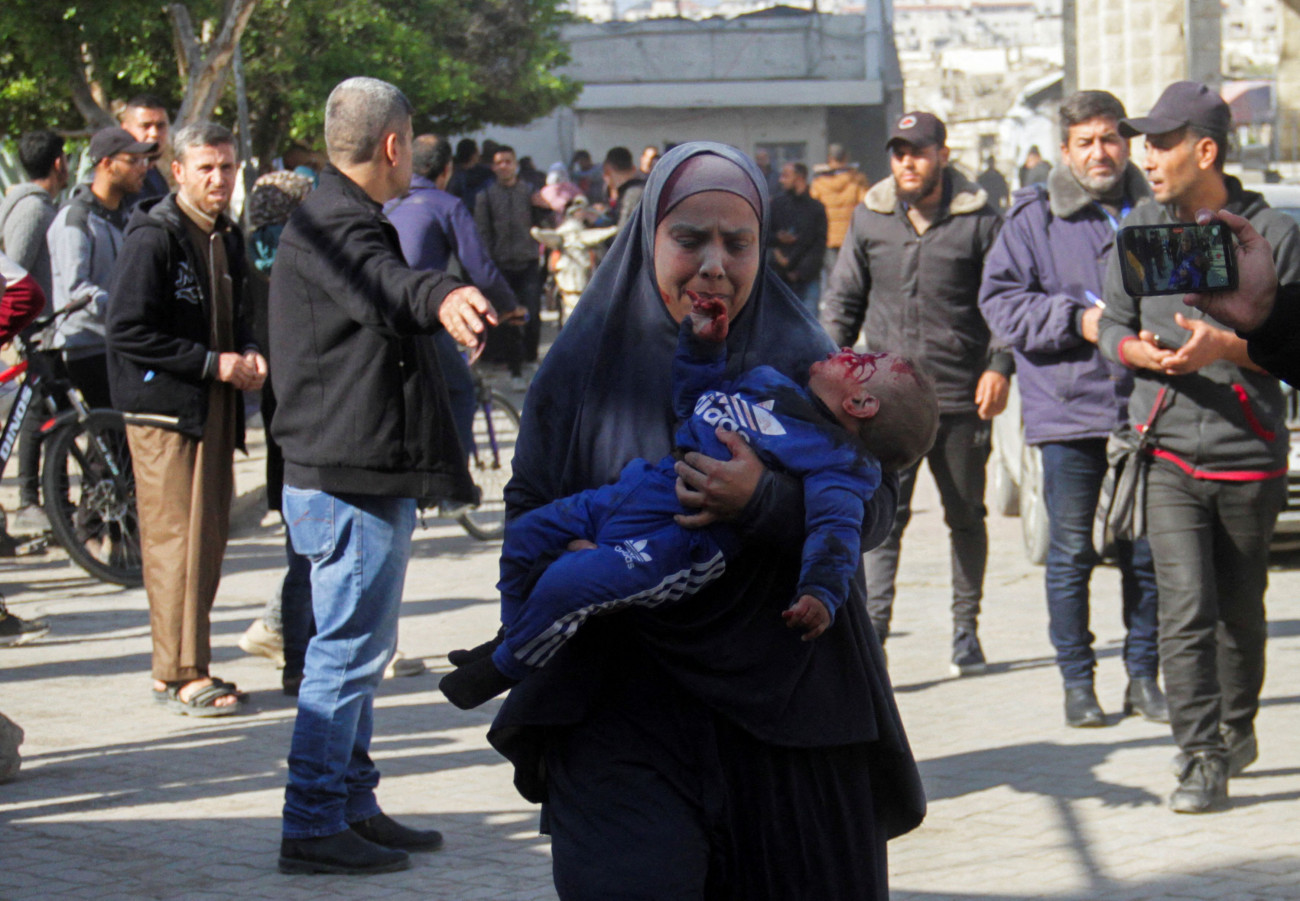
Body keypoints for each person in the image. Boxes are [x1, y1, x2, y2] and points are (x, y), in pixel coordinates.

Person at [478, 141, 924, 899]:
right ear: (649, 234)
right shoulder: (577, 370)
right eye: (690, 239)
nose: (714, 264)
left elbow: (877, 501)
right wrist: (558, 569)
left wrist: (764, 502)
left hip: (781, 714)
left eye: (737, 243)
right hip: (622, 708)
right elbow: (528, 506)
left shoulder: (803, 359)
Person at [440, 300, 938, 710]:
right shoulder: (771, 384)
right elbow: (696, 405)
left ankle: (502, 671)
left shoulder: (838, 459)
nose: (850, 349)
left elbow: (838, 530)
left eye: (865, 365)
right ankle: (511, 636)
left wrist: (818, 592)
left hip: (678, 541)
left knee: (568, 581)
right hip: (630, 493)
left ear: (861, 404)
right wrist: (704, 346)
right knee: (528, 534)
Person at [269, 76, 496, 875]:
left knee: (357, 651)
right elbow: (387, 288)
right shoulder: (336, 224)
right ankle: (312, 820)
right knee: (344, 656)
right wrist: (444, 295)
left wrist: (435, 296)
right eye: (414, 138)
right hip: (346, 477)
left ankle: (351, 804)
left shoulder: (335, 215)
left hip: (351, 469)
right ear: (394, 145)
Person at [1096, 81, 1300, 813]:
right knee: (1184, 607)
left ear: (1205, 150)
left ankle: (1237, 726)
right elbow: (1111, 324)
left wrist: (1232, 347)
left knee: (1240, 613)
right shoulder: (1140, 231)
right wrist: (1137, 354)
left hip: (1249, 452)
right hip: (1168, 452)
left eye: (1161, 142)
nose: (1145, 156)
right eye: (1143, 143)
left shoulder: (1270, 233)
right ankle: (1199, 755)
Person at [978, 90, 1165, 727]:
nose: (1099, 152)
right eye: (1085, 142)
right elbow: (1001, 303)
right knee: (1070, 554)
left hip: (1147, 407)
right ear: (1065, 150)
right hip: (1069, 408)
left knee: (1146, 552)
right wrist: (1078, 320)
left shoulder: (1155, 208)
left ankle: (1144, 676)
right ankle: (1077, 683)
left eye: (1109, 138)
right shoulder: (1034, 217)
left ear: (1127, 142)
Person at [822, 110, 1010, 674]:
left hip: (959, 399)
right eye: (899, 152)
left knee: (966, 517)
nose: (908, 162)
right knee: (883, 518)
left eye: (919, 151)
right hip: (884, 406)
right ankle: (873, 635)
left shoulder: (979, 220)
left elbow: (1001, 301)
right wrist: (830, 378)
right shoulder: (870, 218)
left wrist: (999, 365)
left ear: (942, 155)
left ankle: (965, 634)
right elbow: (843, 304)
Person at [106, 121, 266, 716]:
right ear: (177, 172)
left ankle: (182, 666)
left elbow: (240, 316)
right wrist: (209, 361)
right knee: (176, 543)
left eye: (226, 167)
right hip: (166, 414)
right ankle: (180, 672)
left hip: (215, 405)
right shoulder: (155, 236)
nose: (218, 179)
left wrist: (247, 352)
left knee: (208, 542)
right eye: (205, 167)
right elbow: (125, 330)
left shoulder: (227, 234)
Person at [388, 135, 521, 446]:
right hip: (422, 316)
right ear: (446, 170)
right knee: (462, 389)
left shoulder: (385, 203)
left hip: (379, 314)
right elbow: (480, 270)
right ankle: (453, 486)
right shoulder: (446, 204)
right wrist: (510, 307)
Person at [47, 126, 156, 409]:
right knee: (113, 442)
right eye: (132, 161)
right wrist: (126, 309)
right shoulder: (75, 218)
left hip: (121, 345)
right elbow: (76, 290)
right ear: (106, 164)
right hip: (87, 349)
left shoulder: (127, 215)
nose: (142, 169)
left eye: (143, 161)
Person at [0, 129, 68, 533]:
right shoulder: (32, 210)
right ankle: (29, 499)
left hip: (46, 330)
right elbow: (18, 276)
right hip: (33, 331)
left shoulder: (40, 205)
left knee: (46, 411)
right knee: (35, 413)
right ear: (59, 162)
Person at [475, 144, 541, 385]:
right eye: (499, 162)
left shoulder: (529, 193)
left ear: (515, 164)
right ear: (494, 166)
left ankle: (531, 359)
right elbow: (482, 232)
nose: (504, 166)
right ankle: (515, 369)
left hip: (529, 261)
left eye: (508, 161)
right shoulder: (486, 197)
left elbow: (542, 224)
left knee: (532, 313)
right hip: (501, 264)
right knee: (510, 317)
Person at [810, 142, 869, 296]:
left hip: (828, 238)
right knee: (853, 275)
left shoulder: (818, 183)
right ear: (846, 157)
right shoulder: (857, 180)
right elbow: (866, 205)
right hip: (850, 236)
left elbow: (812, 209)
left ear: (829, 159)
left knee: (831, 277)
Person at [769, 161, 827, 316]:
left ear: (800, 178)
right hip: (779, 278)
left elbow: (818, 245)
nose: (781, 180)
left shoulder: (816, 208)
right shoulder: (777, 205)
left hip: (807, 278)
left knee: (809, 327)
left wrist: (800, 270)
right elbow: (765, 236)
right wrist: (778, 244)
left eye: (786, 176)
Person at [119, 94, 172, 205]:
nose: (154, 134)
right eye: (145, 126)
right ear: (125, 129)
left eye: (161, 126)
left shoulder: (154, 172)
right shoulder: (118, 176)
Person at [600, 145, 647, 232]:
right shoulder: (644, 187)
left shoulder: (633, 194)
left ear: (607, 170)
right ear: (633, 168)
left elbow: (623, 235)